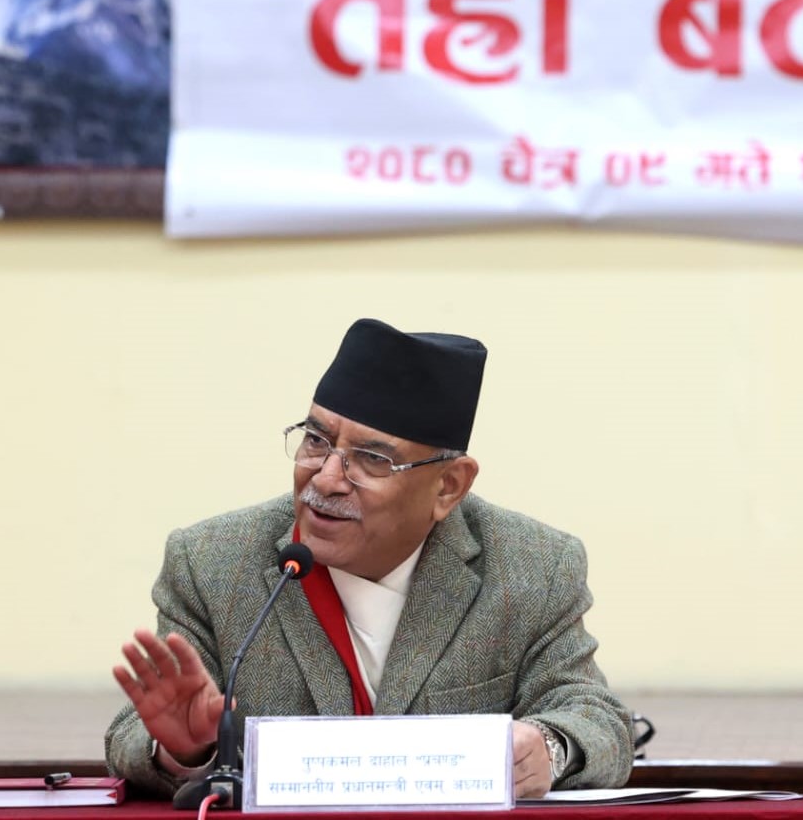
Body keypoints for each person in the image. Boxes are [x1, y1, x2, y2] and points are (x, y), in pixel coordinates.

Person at [105, 318, 633, 798]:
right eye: (316, 440)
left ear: (449, 486)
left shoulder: (533, 565)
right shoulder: (211, 562)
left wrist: (547, 747)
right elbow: (132, 732)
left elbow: (597, 717)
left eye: (372, 459)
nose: (326, 479)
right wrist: (185, 749)